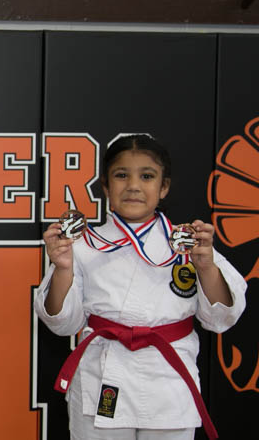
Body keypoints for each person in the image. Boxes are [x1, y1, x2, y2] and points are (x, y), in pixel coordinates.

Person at [34, 134, 246, 440]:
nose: (133, 185)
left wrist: (206, 267)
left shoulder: (189, 244)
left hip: (169, 379)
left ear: (164, 187)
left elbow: (221, 317)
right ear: (106, 186)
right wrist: (63, 268)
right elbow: (62, 321)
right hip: (103, 375)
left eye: (147, 176)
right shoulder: (83, 244)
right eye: (121, 175)